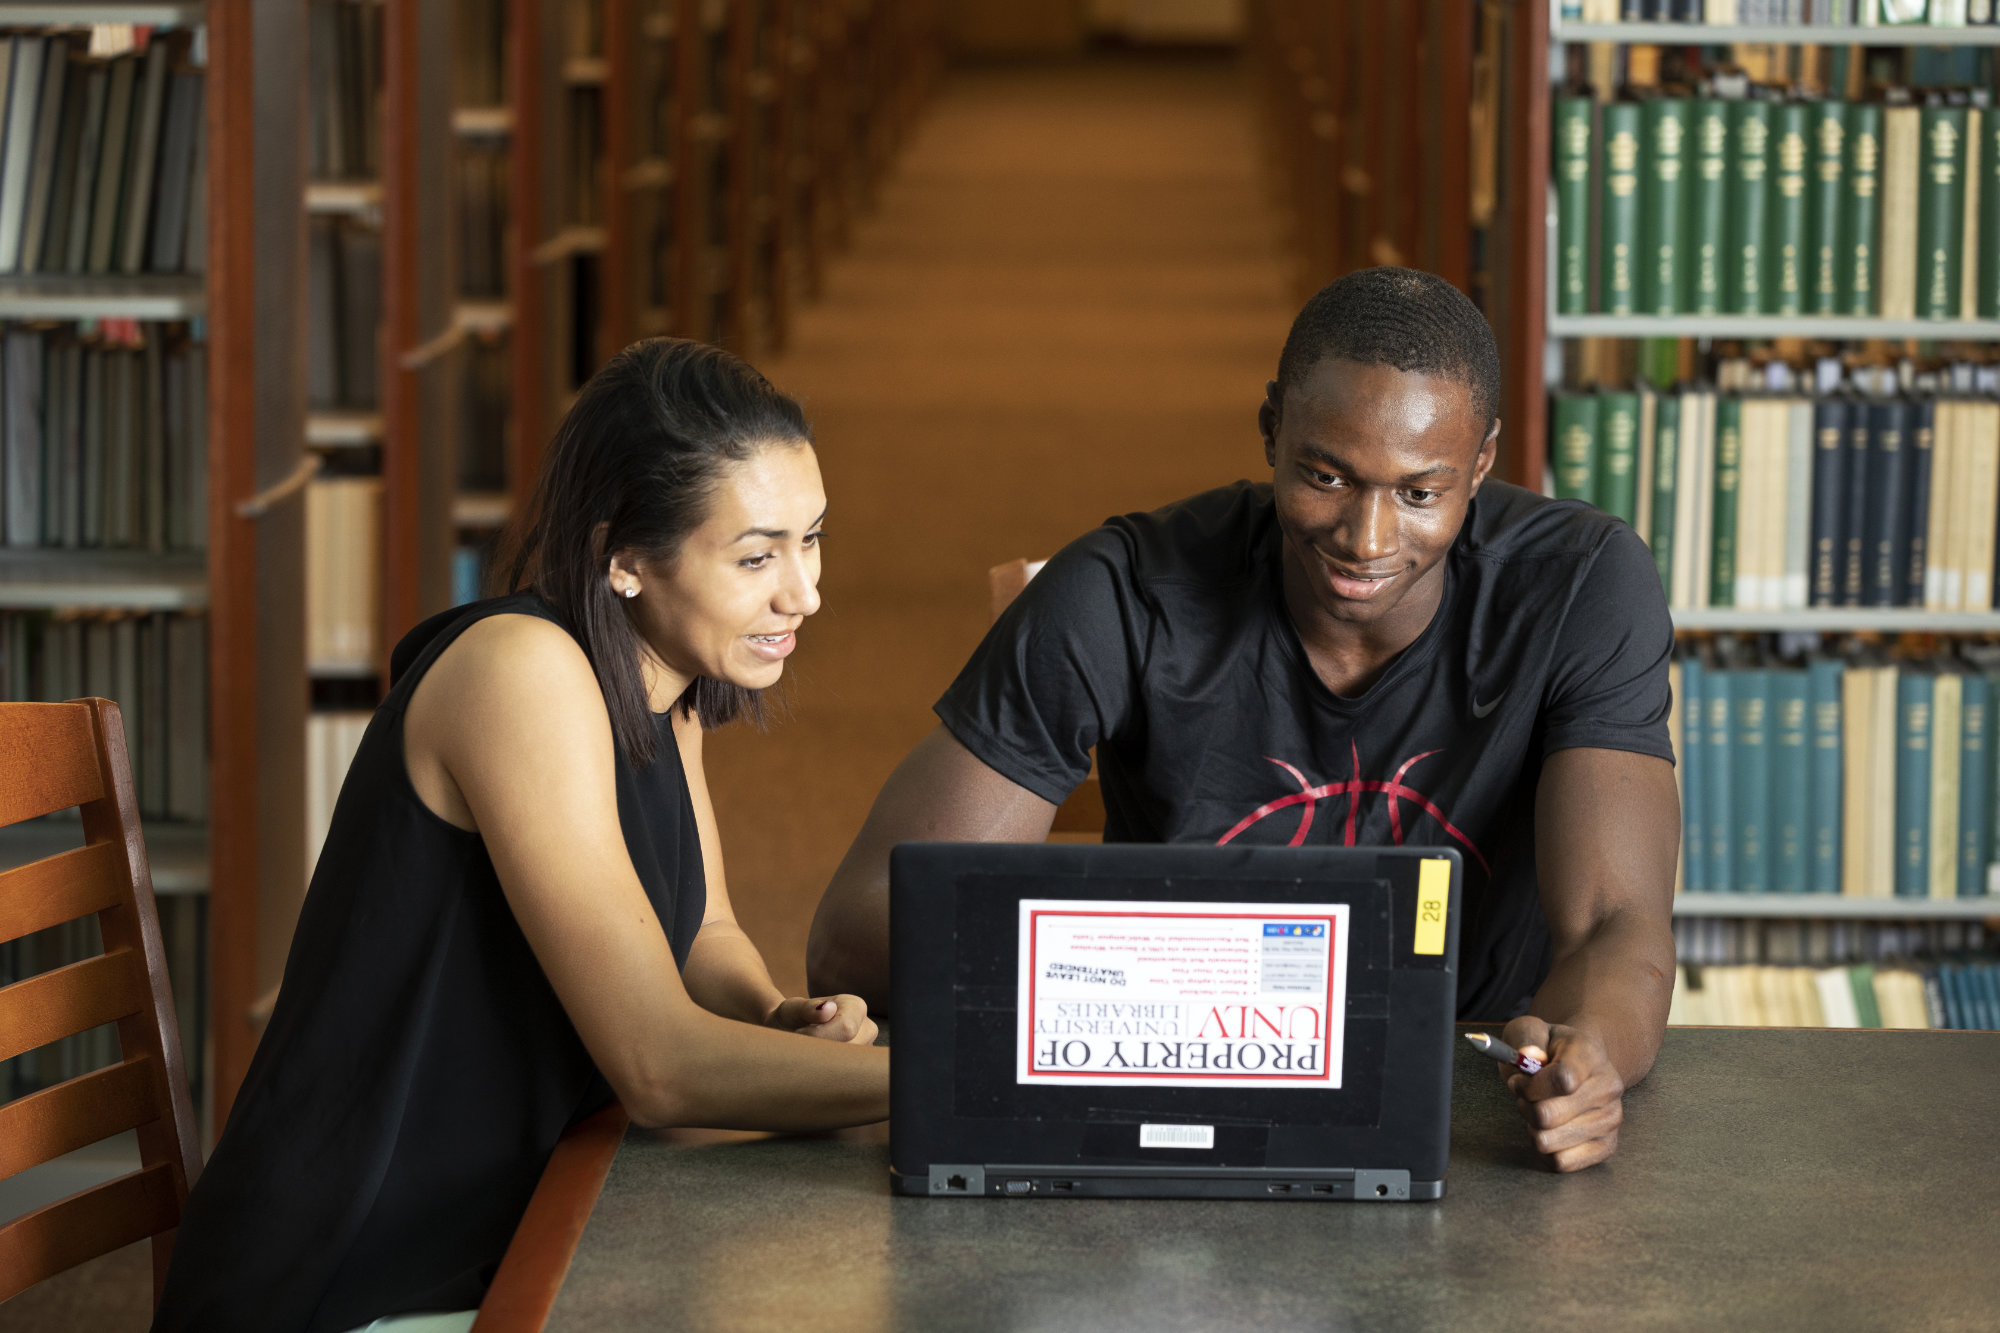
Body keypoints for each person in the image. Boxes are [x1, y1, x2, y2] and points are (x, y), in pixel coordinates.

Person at [808, 267, 1679, 1174]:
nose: (1368, 539)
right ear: (1272, 430)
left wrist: (1589, 1054)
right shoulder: (1124, 594)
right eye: (1326, 475)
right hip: (1169, 1098)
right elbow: (858, 933)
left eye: (1421, 492)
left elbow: (1619, 920)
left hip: (1471, 1114)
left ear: (1483, 464)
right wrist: (1151, 992)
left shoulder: (1581, 586)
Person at [155, 340, 886, 1333]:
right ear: (621, 558)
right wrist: (948, 1085)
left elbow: (704, 929)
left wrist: (771, 1015)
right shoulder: (520, 673)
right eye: (756, 555)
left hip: (522, 1230)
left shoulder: (667, 690)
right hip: (354, 1279)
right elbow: (658, 1067)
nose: (801, 591)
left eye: (812, 540)